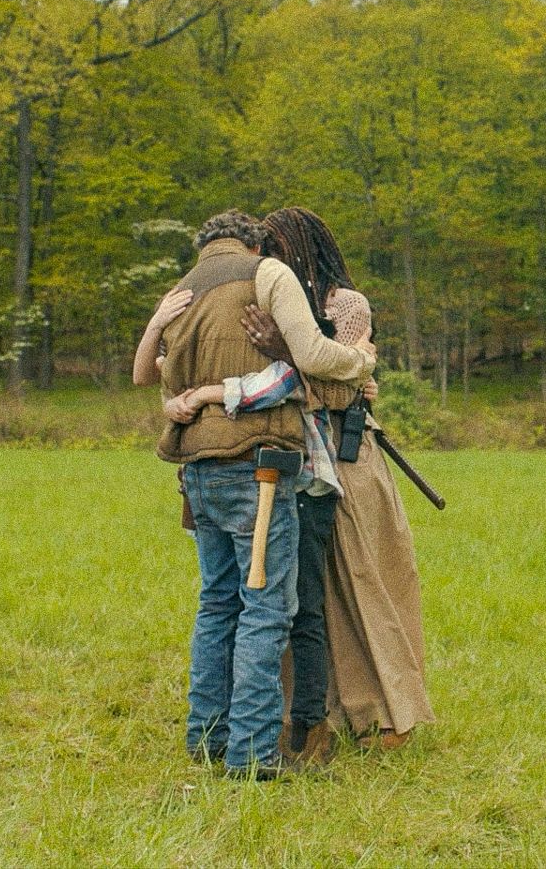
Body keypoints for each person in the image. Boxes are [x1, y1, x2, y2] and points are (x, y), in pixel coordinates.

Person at [143, 209, 375, 780]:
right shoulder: (267, 274)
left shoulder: (184, 290)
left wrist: (190, 397)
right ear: (251, 243)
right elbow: (314, 361)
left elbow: (156, 378)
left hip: (197, 469)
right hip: (259, 469)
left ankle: (206, 738)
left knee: (216, 604)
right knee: (266, 611)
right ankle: (252, 755)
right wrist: (363, 360)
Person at [241, 207, 436, 752]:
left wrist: (292, 356)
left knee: (364, 586)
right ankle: (304, 716)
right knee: (294, 593)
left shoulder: (344, 306)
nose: (266, 259)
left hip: (348, 461)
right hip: (288, 459)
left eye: (274, 247)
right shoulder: (261, 304)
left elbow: (342, 392)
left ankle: (385, 714)